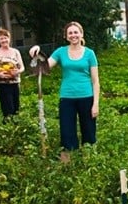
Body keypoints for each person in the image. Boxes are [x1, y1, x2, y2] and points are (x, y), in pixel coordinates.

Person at [29, 21, 100, 161]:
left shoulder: (89, 53)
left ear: (81, 34)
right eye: (70, 33)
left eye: (76, 32)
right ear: (66, 36)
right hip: (67, 97)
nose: (73, 35)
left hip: (86, 96)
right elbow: (45, 66)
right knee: (67, 131)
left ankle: (90, 161)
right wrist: (36, 52)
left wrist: (95, 103)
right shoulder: (61, 52)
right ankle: (67, 164)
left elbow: (95, 80)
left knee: (89, 131)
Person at [0, 28, 25, 123]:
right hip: (3, 84)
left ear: (9, 39)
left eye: (5, 38)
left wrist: (17, 72)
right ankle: (8, 127)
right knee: (8, 107)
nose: (4, 40)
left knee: (16, 106)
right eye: (1, 39)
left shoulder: (15, 52)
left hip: (15, 83)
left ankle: (16, 127)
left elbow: (22, 68)